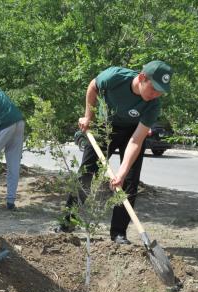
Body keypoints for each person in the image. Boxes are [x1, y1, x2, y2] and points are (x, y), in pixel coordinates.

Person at [57, 60, 173, 245]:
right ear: (142, 78)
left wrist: (122, 172)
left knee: (129, 182)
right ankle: (66, 223)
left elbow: (136, 140)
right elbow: (93, 86)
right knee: (86, 174)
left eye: (161, 91)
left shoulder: (153, 105)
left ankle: (118, 233)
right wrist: (89, 116)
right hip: (106, 126)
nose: (156, 94)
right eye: (154, 88)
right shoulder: (115, 76)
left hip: (132, 133)